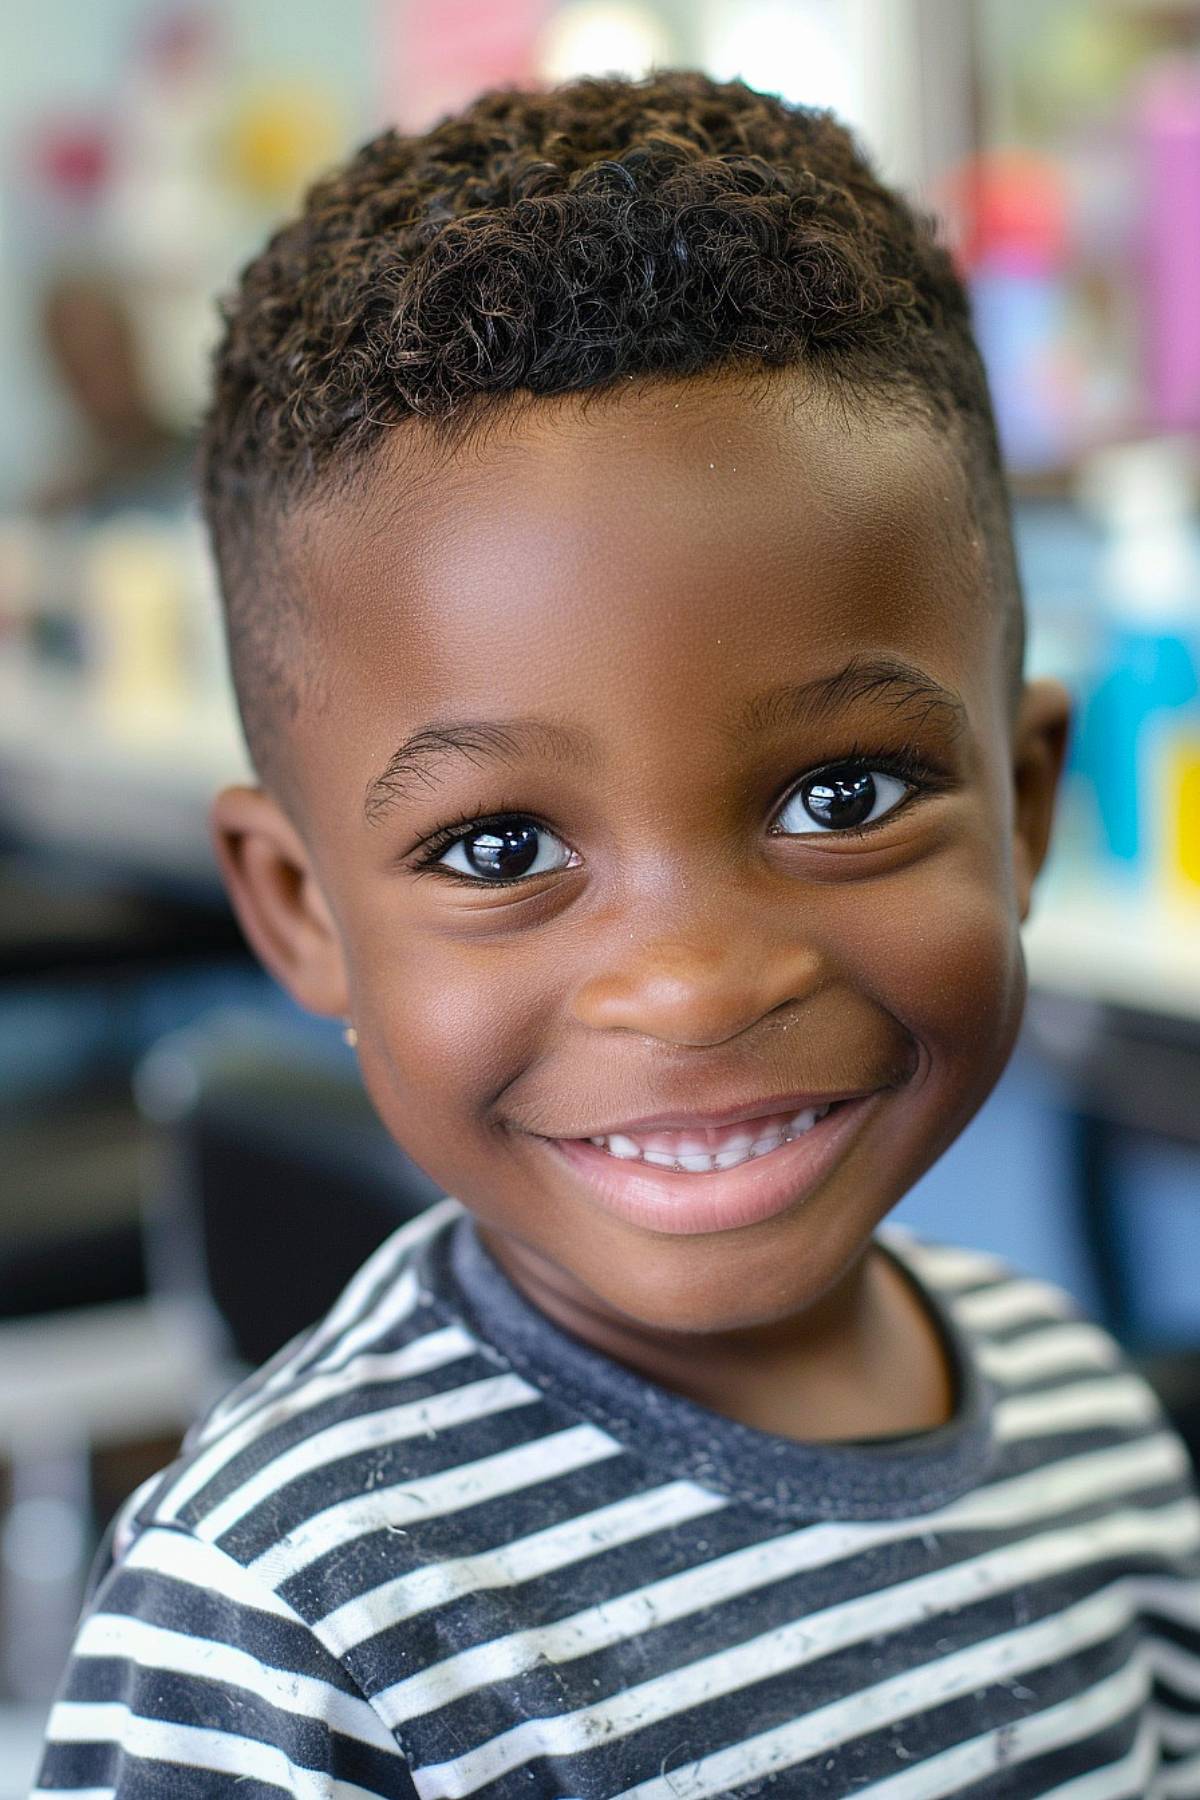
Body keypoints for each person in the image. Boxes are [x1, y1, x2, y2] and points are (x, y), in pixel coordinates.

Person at [34, 71, 1200, 1799]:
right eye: (502, 846)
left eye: (845, 797)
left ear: (1023, 804)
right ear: (301, 914)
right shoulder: (293, 1610)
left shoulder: (1087, 1423)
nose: (697, 981)